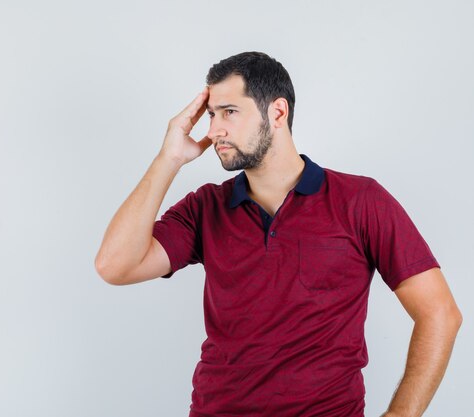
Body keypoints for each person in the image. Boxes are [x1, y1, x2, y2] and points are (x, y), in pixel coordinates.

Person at [94, 51, 462, 417]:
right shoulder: (205, 207)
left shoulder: (360, 201)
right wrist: (168, 159)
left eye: (230, 112)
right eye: (211, 114)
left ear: (278, 112)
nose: (214, 129)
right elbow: (115, 266)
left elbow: (439, 314)